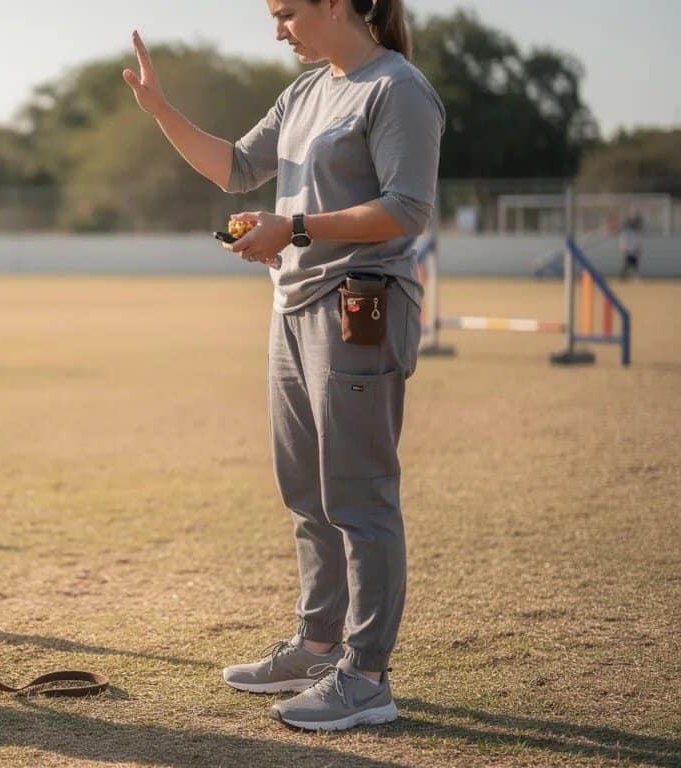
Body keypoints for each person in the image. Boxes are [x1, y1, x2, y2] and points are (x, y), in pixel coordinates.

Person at [124, 0, 444, 731]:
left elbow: (407, 208)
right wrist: (161, 110)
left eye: (288, 12)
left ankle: (365, 677)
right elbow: (237, 169)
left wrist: (292, 226)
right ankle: (317, 645)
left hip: (360, 307)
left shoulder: (397, 89)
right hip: (292, 308)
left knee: (359, 498)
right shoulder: (304, 93)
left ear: (338, 4)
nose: (277, 29)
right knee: (306, 492)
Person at [620, 213, 642, 279]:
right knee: (627, 264)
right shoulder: (626, 232)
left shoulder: (636, 232)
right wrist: (624, 249)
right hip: (628, 250)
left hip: (634, 250)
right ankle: (623, 276)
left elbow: (638, 241)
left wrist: (638, 249)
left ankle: (635, 276)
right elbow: (624, 241)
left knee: (635, 264)